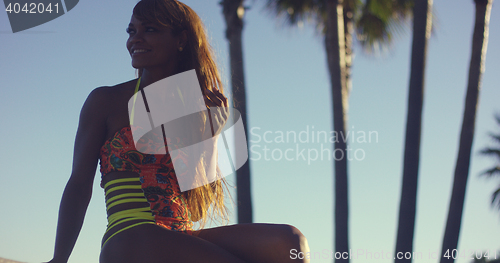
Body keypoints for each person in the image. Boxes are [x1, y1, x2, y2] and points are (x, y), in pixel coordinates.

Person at [46, 0, 310, 262]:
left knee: (289, 242)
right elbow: (79, 185)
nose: (135, 39)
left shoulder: (195, 110)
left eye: (149, 30)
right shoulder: (107, 100)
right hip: (130, 236)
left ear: (181, 39)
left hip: (180, 236)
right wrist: (59, 259)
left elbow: (195, 210)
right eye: (131, 31)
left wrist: (211, 135)